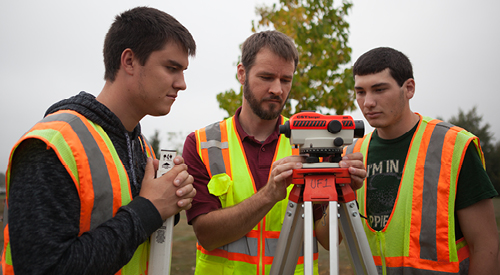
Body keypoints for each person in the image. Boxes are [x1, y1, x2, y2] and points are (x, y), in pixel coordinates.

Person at [2, 7, 197, 275]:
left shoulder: (140, 147)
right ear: (129, 61)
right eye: (171, 68)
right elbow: (44, 268)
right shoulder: (52, 146)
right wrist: (150, 208)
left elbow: (127, 227)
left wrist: (169, 203)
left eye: (183, 70)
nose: (182, 83)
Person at [182, 30, 367, 274]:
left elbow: (329, 240)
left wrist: (343, 193)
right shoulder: (203, 143)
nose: (278, 90)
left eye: (286, 80)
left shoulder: (311, 142)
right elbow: (207, 236)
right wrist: (269, 194)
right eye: (266, 77)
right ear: (242, 73)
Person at [345, 47, 499, 274]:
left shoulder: (453, 145)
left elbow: (486, 245)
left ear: (409, 88)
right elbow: (331, 237)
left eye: (379, 90)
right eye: (361, 92)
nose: (367, 102)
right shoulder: (353, 152)